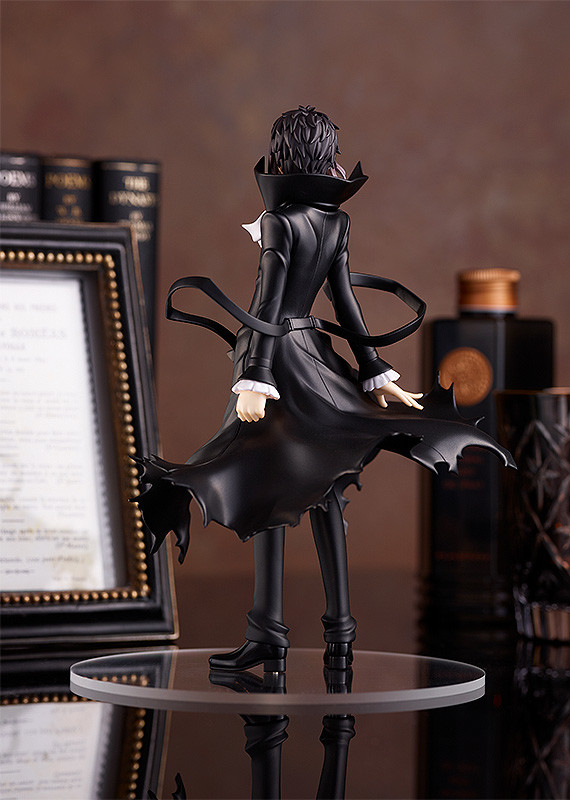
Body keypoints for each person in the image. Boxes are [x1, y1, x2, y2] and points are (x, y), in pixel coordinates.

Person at [135, 106, 514, 672]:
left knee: (269, 481)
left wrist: (256, 376)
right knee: (323, 480)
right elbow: (345, 302)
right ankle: (338, 636)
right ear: (325, 157)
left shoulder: (280, 222)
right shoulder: (336, 223)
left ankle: (270, 633)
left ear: (283, 155)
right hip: (316, 356)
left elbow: (269, 304)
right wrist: (374, 370)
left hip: (279, 360)